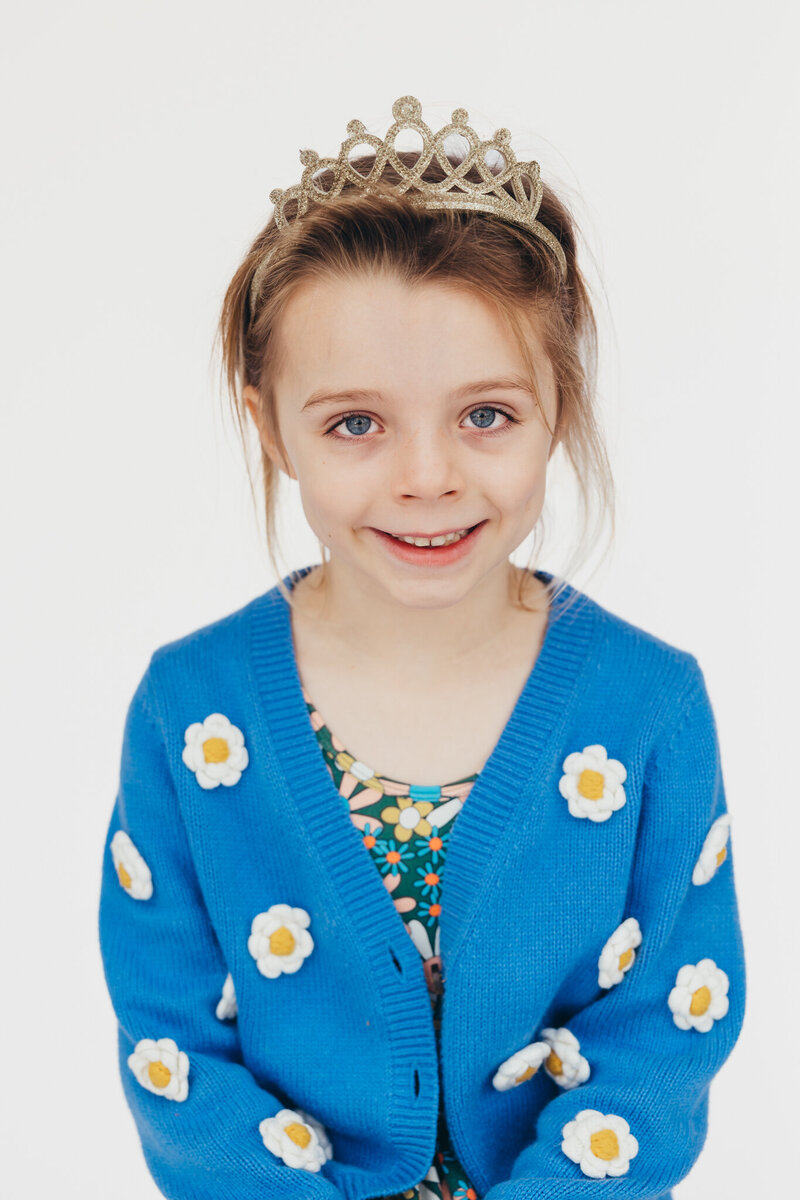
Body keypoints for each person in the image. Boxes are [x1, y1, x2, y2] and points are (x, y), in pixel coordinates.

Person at [97, 95, 746, 1200]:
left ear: (557, 405)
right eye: (356, 423)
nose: (427, 477)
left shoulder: (647, 706)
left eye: (484, 415)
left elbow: (660, 1037)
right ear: (271, 427)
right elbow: (172, 1042)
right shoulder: (190, 710)